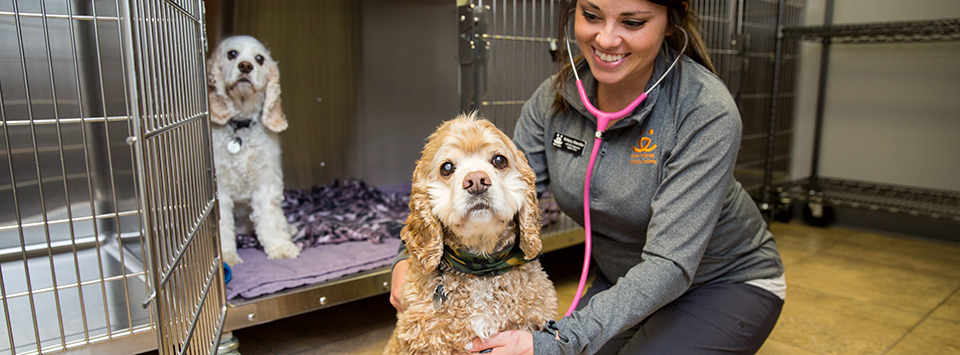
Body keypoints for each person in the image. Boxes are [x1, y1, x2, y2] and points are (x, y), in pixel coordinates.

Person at [391, 0, 786, 354]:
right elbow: (506, 185)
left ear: (670, 22)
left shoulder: (705, 112)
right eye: (591, 15)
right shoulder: (552, 100)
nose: (607, 38)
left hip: (724, 282)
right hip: (621, 282)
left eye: (632, 22)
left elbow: (670, 264)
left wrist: (554, 343)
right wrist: (408, 258)